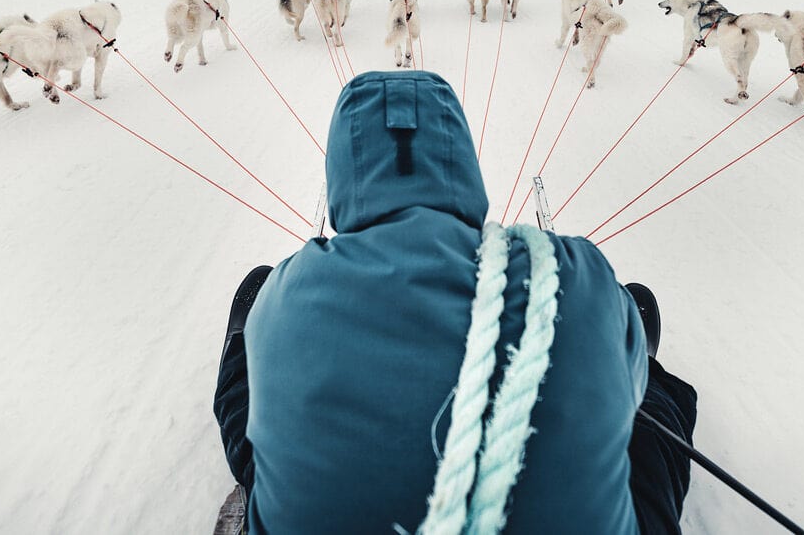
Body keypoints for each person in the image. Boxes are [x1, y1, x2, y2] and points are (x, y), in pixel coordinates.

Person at [213, 70, 698, 533]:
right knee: (649, 427)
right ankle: (650, 367)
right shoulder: (577, 273)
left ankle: (236, 342)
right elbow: (625, 390)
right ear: (462, 162)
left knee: (255, 415)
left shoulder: (285, 293)